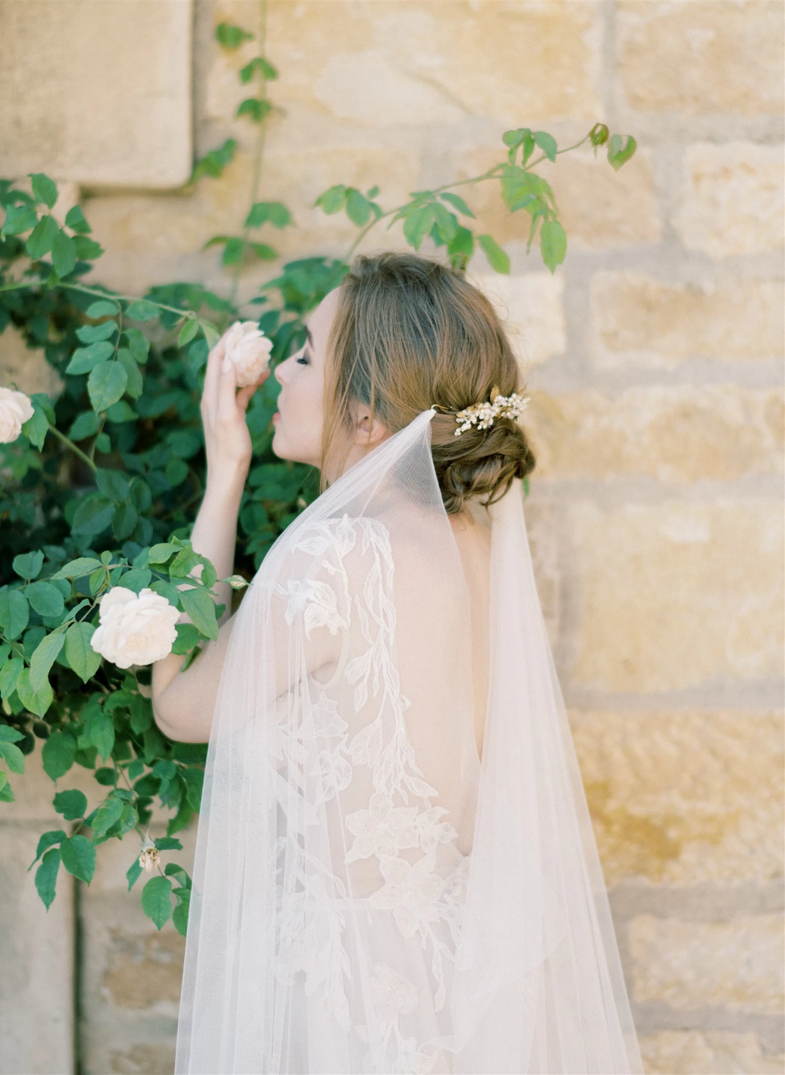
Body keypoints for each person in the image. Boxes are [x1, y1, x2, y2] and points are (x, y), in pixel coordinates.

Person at [153, 253, 645, 1074]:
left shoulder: (332, 554)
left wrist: (224, 473)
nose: (284, 369)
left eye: (307, 354)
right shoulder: (475, 548)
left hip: (337, 995)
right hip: (455, 984)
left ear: (368, 415)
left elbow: (178, 706)